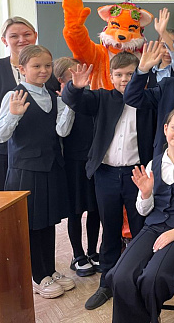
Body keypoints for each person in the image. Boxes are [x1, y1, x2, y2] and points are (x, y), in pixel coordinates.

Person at [61, 53, 157, 310]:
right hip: (106, 174)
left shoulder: (148, 100)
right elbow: (73, 100)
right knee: (110, 227)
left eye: (130, 74)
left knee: (140, 228)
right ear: (111, 77)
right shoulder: (101, 98)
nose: (125, 79)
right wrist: (75, 87)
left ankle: (138, 281)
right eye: (119, 75)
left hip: (138, 175)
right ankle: (107, 282)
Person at [106, 107, 174, 323]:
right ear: (165, 129)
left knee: (152, 278)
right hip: (153, 227)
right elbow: (143, 210)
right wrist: (145, 194)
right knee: (120, 275)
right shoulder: (154, 163)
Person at [0, 45, 75, 298]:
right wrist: (13, 115)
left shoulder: (53, 96)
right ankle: (37, 276)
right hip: (25, 170)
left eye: (47, 65)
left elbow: (62, 131)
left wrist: (70, 105)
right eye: (36, 66)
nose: (43, 70)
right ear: (22, 68)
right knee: (31, 224)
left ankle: (49, 269)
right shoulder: (13, 96)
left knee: (48, 221)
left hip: (51, 167)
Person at [0, 17, 58, 190]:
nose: (22, 40)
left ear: (35, 36)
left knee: (34, 199)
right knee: (4, 198)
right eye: (14, 36)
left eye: (27, 34)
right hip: (0, 148)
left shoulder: (46, 70)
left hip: (35, 152)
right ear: (4, 40)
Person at [53, 57, 100, 277]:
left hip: (93, 161)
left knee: (95, 209)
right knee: (76, 210)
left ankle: (93, 251)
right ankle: (78, 255)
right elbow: (62, 131)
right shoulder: (60, 102)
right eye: (72, 77)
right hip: (73, 163)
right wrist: (70, 100)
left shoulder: (90, 98)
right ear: (61, 81)